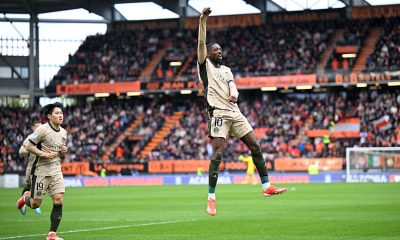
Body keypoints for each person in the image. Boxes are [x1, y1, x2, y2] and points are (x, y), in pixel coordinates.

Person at [197, 7, 287, 217]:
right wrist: (203, 19)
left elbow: (232, 85)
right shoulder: (204, 66)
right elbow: (201, 43)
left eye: (221, 50)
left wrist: (235, 93)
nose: (220, 52)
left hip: (235, 112)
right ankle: (211, 198)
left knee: (255, 145)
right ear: (208, 54)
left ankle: (266, 186)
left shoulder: (227, 69)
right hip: (218, 113)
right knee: (218, 152)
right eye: (216, 50)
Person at [16, 102, 68, 240]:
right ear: (49, 116)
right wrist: (43, 154)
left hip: (56, 170)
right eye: (57, 113)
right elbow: (28, 146)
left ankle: (52, 234)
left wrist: (63, 152)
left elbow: (61, 155)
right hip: (41, 171)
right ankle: (24, 199)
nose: (60, 115)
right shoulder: (42, 130)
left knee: (58, 199)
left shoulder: (63, 132)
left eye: (61, 113)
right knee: (35, 204)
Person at [18, 121, 42, 215]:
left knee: (38, 187)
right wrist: (31, 150)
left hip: (41, 167)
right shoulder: (30, 138)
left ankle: (36, 205)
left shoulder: (45, 137)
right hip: (31, 166)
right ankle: (23, 202)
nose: (39, 128)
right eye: (37, 126)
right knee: (28, 186)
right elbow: (21, 150)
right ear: (33, 128)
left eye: (41, 126)